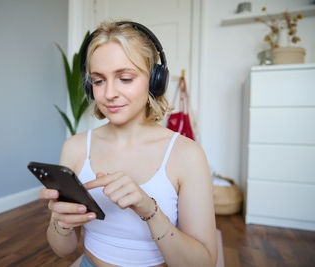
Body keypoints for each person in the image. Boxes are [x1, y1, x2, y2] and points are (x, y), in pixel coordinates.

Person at [39, 20, 217, 267]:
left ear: (155, 81)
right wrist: (61, 224)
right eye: (99, 81)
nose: (109, 93)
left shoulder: (187, 155)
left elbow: (204, 263)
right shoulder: (75, 148)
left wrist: (149, 210)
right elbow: (63, 250)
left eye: (124, 78)